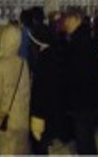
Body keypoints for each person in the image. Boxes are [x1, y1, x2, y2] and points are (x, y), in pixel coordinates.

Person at [63, 6, 98, 154]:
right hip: (85, 97)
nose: (65, 23)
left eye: (68, 19)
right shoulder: (81, 38)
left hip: (82, 98)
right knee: (86, 138)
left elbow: (80, 72)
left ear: (77, 19)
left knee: (84, 138)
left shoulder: (79, 41)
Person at [0, 24, 30, 155]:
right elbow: (26, 91)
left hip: (5, 119)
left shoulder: (0, 64)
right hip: (22, 119)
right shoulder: (23, 63)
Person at [28, 24, 62, 154]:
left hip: (41, 113)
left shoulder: (44, 61)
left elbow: (41, 90)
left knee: (40, 146)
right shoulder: (52, 56)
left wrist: (37, 114)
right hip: (49, 111)